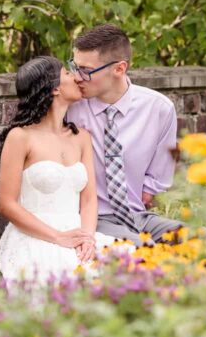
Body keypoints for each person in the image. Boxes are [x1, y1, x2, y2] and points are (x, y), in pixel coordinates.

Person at [0, 56, 117, 282]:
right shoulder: (20, 137)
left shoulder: (81, 138)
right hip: (35, 236)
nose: (77, 77)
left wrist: (87, 239)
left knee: (124, 268)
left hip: (78, 234)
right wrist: (57, 237)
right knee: (65, 278)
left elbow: (89, 200)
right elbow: (7, 204)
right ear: (54, 89)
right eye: (68, 74)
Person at [66, 24, 183, 245]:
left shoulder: (158, 109)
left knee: (203, 239)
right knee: (141, 250)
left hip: (138, 216)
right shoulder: (71, 108)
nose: (77, 77)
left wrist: (144, 193)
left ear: (119, 69)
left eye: (85, 70)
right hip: (93, 218)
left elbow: (159, 177)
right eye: (74, 66)